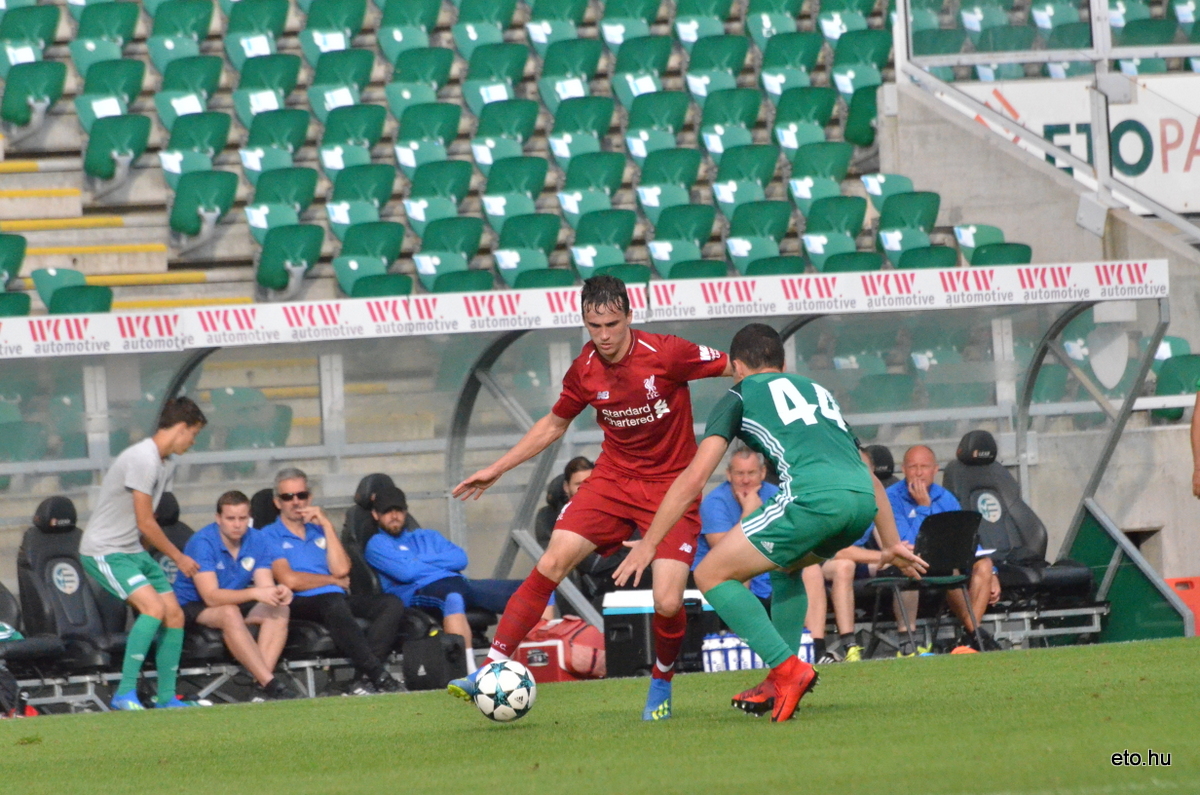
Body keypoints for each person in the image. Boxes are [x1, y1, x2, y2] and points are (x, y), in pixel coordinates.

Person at [449, 274, 733, 721]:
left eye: (612, 325)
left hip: (670, 488)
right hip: (613, 481)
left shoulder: (668, 353)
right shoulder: (584, 369)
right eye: (593, 326)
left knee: (668, 602)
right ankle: (491, 665)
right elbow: (553, 424)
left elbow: (740, 368)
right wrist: (497, 467)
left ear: (629, 317)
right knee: (552, 561)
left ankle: (661, 683)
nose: (602, 336)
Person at [614, 324, 926, 723]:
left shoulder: (739, 394)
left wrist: (649, 542)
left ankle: (788, 669)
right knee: (787, 566)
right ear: (783, 363)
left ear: (738, 367)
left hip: (812, 499)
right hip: (862, 501)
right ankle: (780, 678)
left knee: (710, 574)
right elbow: (865, 470)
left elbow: (695, 477)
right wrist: (893, 540)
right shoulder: (818, 392)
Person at [78, 397, 207, 710]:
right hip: (105, 550)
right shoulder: (143, 458)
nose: (193, 441)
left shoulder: (163, 463)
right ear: (181, 428)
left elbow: (142, 527)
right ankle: (124, 693)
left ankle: (165, 698)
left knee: (174, 614)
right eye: (194, 434)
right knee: (153, 609)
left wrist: (145, 557)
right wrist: (178, 557)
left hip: (132, 550)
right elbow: (146, 521)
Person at [262, 468, 405, 695]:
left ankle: (361, 680)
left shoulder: (319, 529)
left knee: (391, 603)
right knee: (332, 601)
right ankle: (378, 675)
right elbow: (289, 580)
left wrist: (327, 525)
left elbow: (342, 569)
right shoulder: (269, 534)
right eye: (288, 497)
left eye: (302, 495)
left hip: (335, 597)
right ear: (278, 502)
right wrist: (331, 580)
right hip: (299, 602)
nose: (296, 502)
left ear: (309, 497)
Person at [365, 485, 525, 673]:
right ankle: (468, 671)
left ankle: (543, 654)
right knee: (452, 595)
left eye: (398, 510)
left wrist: (418, 560)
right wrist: (439, 563)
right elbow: (406, 573)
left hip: (456, 581)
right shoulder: (377, 544)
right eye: (387, 511)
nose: (394, 516)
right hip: (416, 591)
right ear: (376, 515)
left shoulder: (428, 536)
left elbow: (460, 559)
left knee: (529, 590)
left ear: (405, 512)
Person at [876, 445, 1001, 654]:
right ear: (903, 470)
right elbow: (908, 544)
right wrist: (924, 506)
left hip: (947, 560)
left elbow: (967, 538)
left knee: (985, 564)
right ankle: (976, 637)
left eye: (924, 467)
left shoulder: (946, 498)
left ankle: (970, 637)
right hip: (910, 563)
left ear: (935, 470)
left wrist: (994, 574)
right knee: (949, 568)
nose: (918, 472)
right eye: (913, 467)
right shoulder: (891, 498)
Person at [172, 490, 295, 701]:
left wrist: (279, 592)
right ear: (218, 518)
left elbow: (265, 584)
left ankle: (259, 687)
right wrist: (256, 592)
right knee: (229, 612)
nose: (237, 524)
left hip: (235, 599)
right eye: (230, 518)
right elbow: (210, 597)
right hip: (193, 606)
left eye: (242, 518)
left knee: (280, 608)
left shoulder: (257, 539)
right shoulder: (202, 542)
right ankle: (271, 683)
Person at [694, 447, 777, 608]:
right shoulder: (714, 503)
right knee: (740, 570)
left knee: (810, 571)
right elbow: (727, 555)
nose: (745, 480)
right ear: (729, 475)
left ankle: (811, 634)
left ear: (763, 472)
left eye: (751, 473)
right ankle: (742, 632)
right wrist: (748, 513)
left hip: (768, 565)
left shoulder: (776, 495)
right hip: (723, 572)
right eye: (740, 473)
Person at [534, 457, 594, 550]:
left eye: (589, 483)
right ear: (566, 487)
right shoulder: (549, 518)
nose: (584, 489)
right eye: (578, 484)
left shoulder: (612, 513)